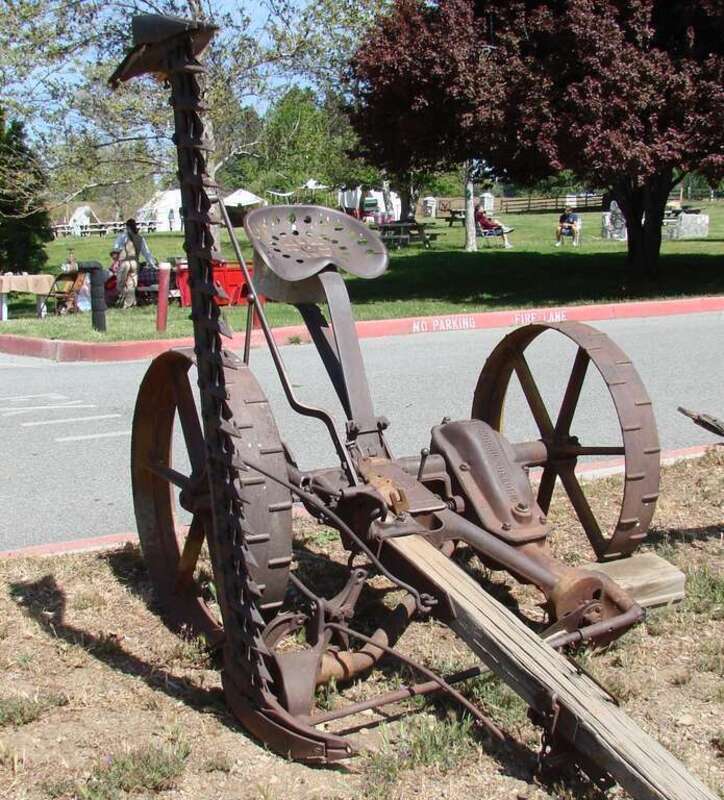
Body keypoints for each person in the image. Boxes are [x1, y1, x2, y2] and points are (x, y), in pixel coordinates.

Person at [112, 218, 157, 308]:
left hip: (125, 263)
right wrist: (153, 265)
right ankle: (130, 304)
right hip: (135, 263)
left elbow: (116, 249)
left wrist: (115, 261)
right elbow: (147, 254)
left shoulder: (122, 237)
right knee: (131, 285)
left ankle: (127, 301)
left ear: (127, 227)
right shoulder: (140, 238)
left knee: (120, 285)